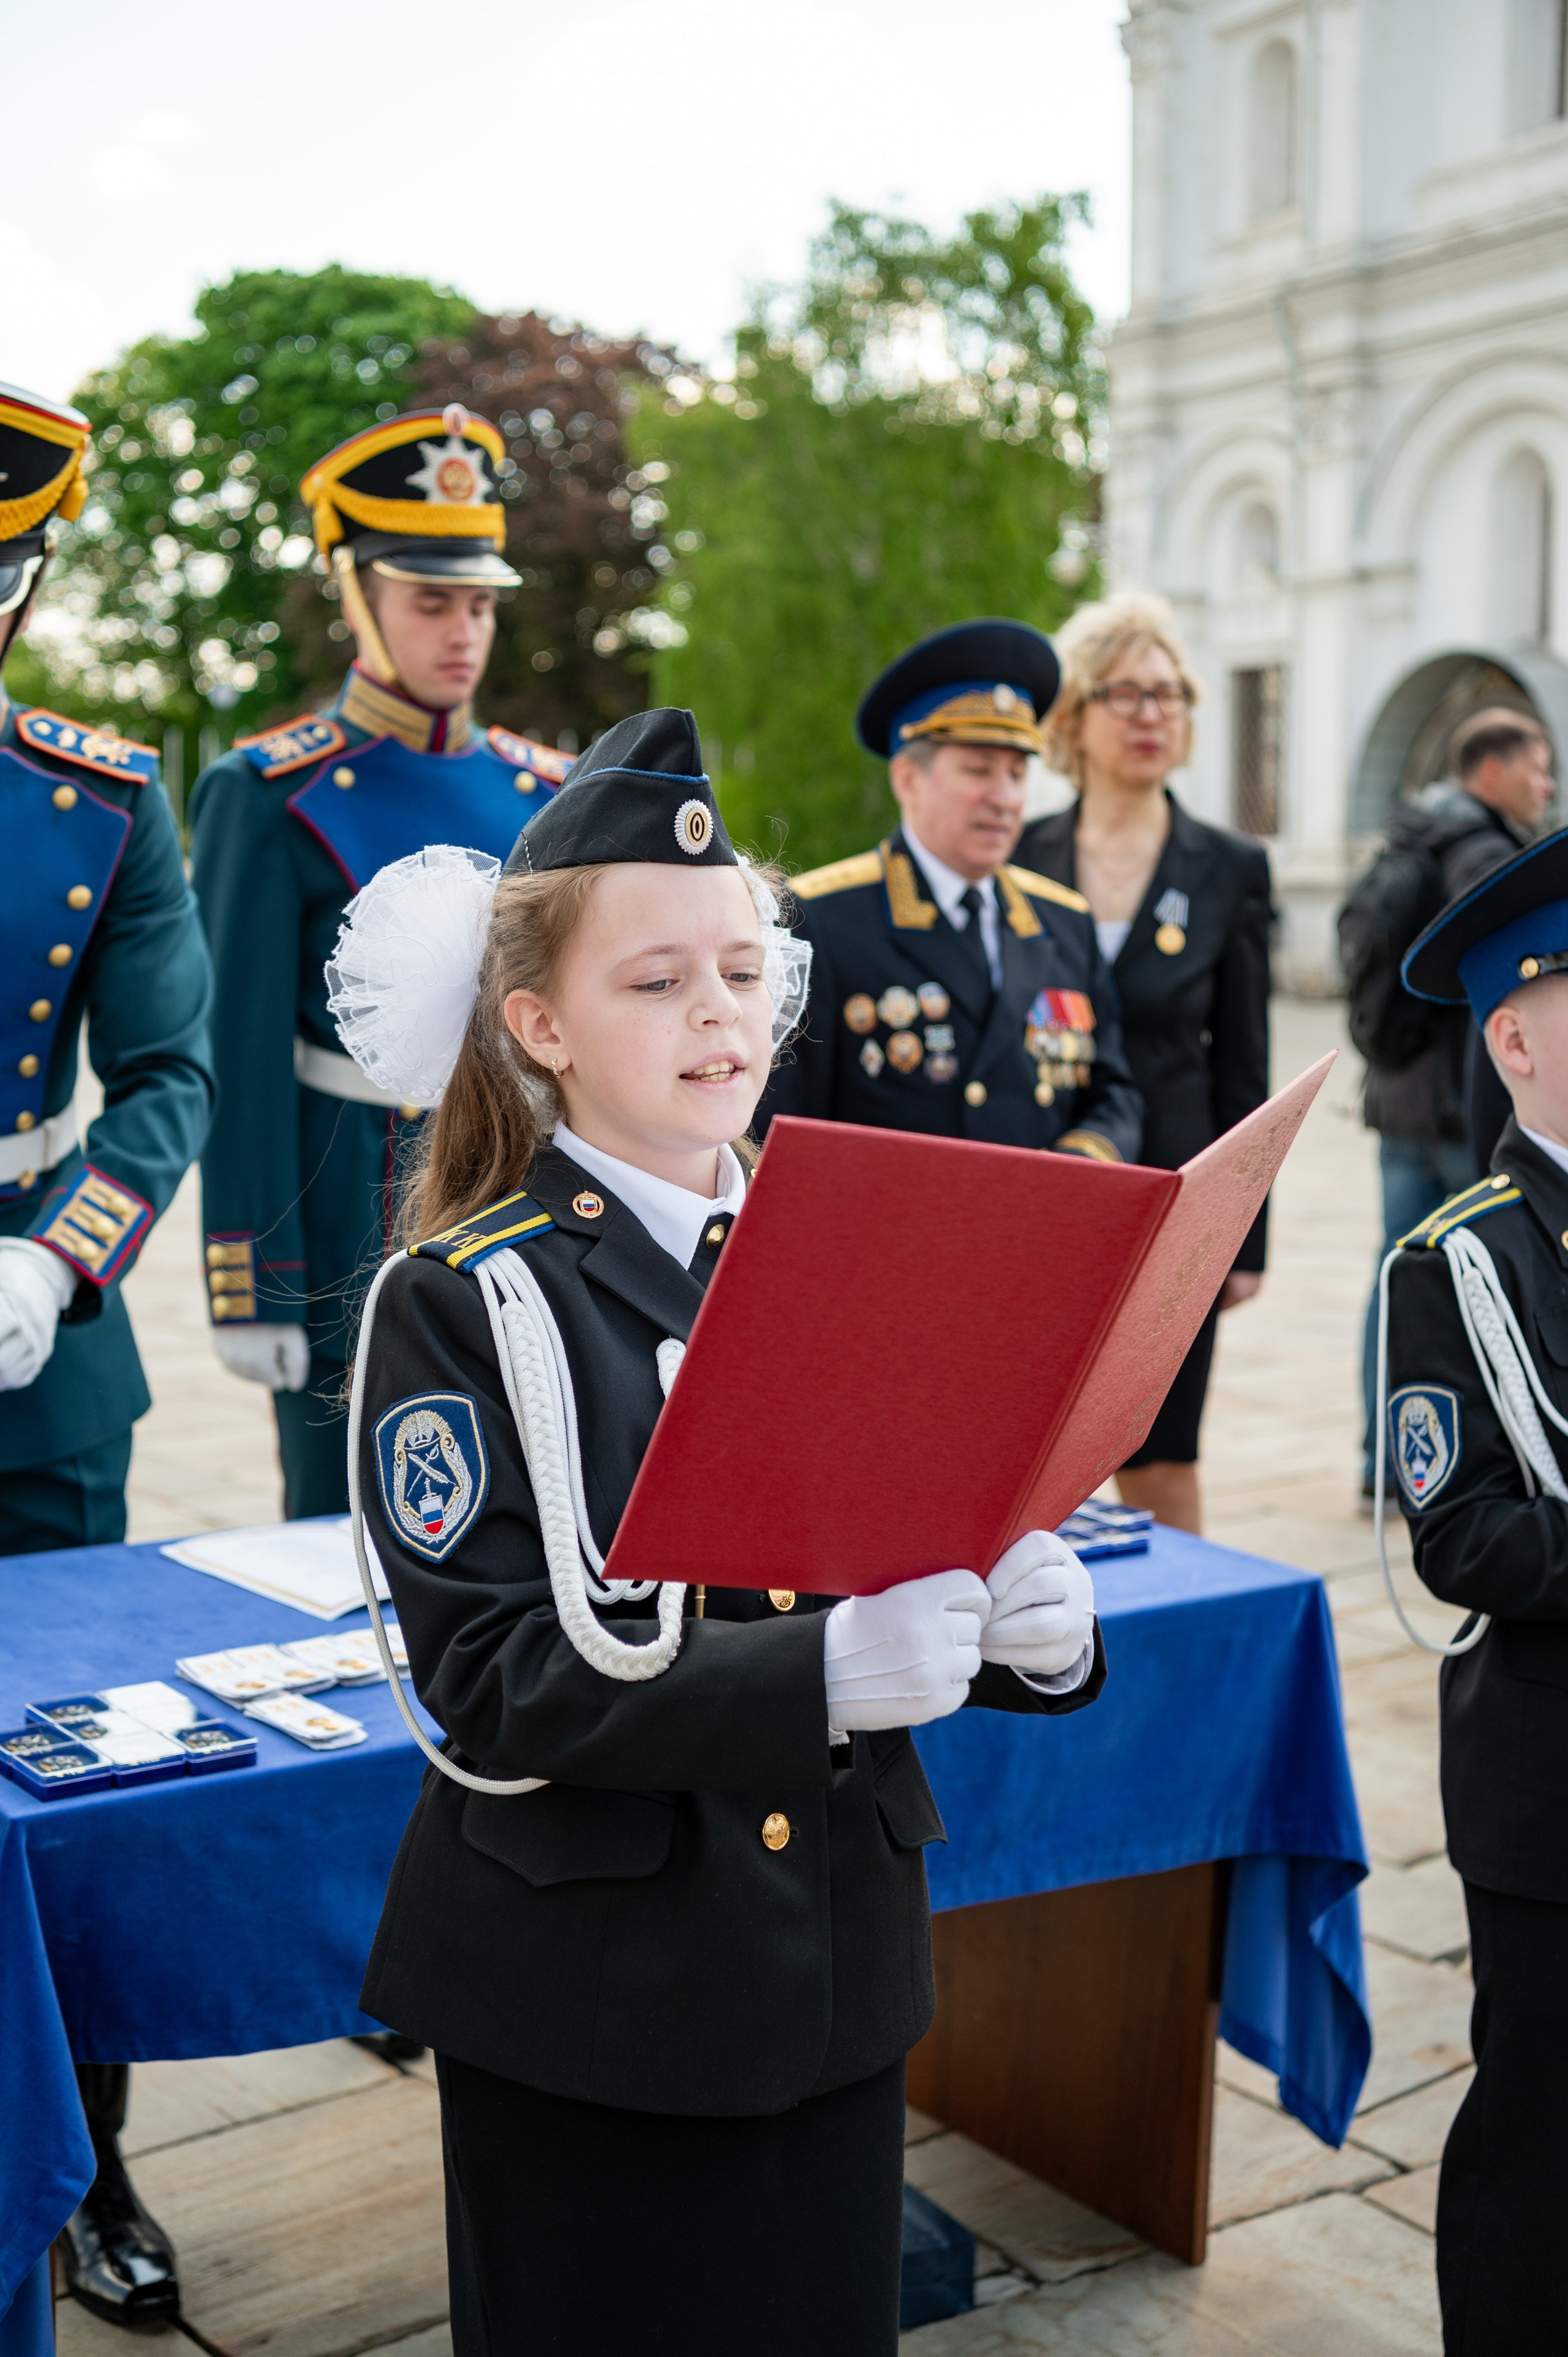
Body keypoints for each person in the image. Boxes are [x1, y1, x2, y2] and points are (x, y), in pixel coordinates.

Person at [340, 709, 1106, 2355]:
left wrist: (1020, 1625)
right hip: (601, 1989)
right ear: (536, 1024)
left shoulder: (837, 1254)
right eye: (657, 979)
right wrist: (823, 1671)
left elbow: (899, 1556)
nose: (720, 1015)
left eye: (744, 972)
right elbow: (490, 1681)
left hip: (834, 1961)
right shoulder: (471, 1299)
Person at [189, 404, 568, 1520]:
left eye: (480, 605)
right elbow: (241, 1056)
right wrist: (248, 1275)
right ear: (358, 596)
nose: (463, 631)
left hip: (519, 1180)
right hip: (349, 1192)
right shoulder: (269, 795)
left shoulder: (542, 792)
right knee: (348, 1515)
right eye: (430, 601)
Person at [0, 383, 214, 2328]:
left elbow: (168, 1073)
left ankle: (88, 2160)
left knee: (67, 1777)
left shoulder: (98, 797)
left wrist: (61, 1260)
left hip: (31, 1352)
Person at [1382, 826, 1568, 2353]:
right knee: (1539, 2132)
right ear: (1512, 1032)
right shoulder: (1458, 1258)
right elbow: (1462, 1537)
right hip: (1548, 1772)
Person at [1014, 593, 1271, 1535]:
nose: (1154, 714)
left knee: (1162, 1456)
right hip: (1047, 1193)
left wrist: (1248, 1237)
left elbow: (1245, 1062)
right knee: (1030, 1459)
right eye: (1127, 693)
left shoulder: (1229, 865)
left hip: (1179, 1200)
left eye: (1171, 695)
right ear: (1074, 717)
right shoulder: (1025, 853)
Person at [756, 619, 1142, 1167]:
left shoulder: (1063, 919)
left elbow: (1113, 1090)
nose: (1006, 798)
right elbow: (781, 1121)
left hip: (1041, 1234)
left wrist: (1084, 1161)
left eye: (1016, 774)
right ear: (908, 780)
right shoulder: (818, 917)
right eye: (979, 770)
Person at [1344, 706, 1554, 1506]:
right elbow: (1496, 1005)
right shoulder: (1484, 855)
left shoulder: (1412, 835)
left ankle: (1380, 1461)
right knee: (1469, 1279)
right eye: (1538, 770)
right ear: (1491, 770)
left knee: (1398, 1272)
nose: (1546, 786)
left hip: (1397, 1101)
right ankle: (1437, 1462)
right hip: (1451, 1112)